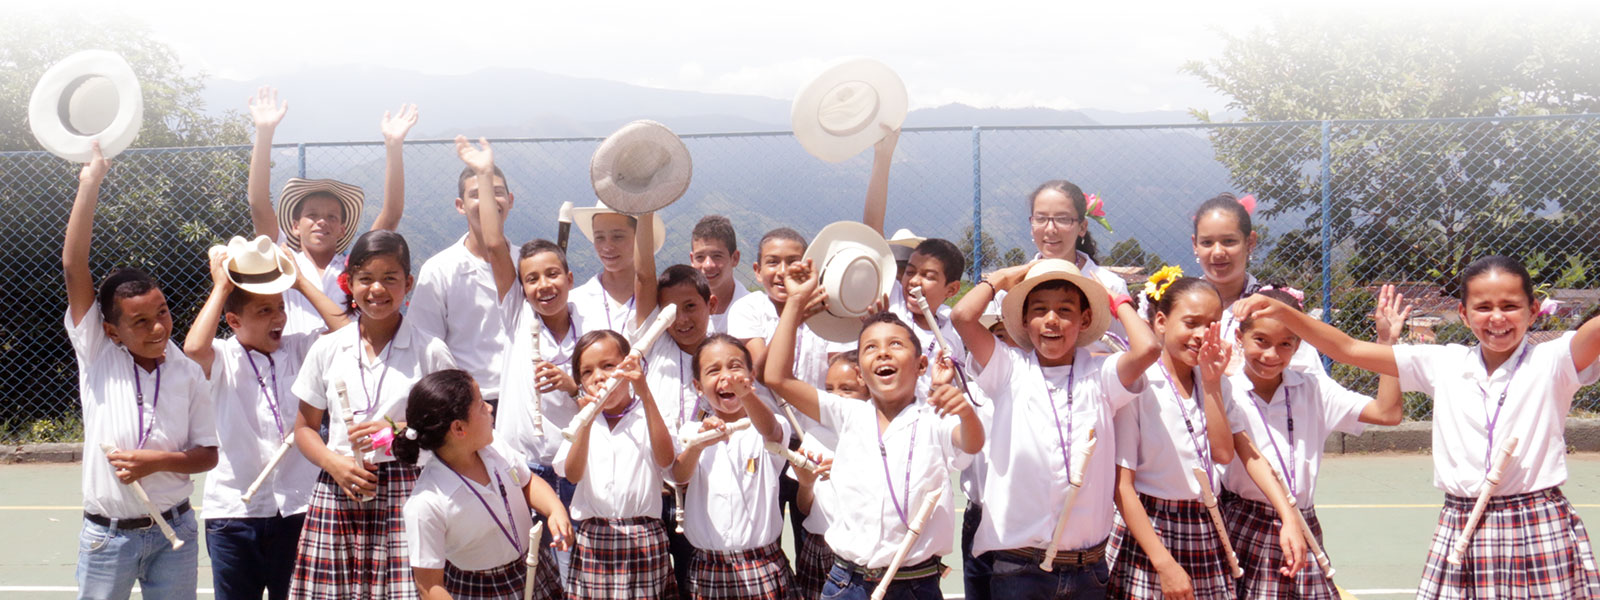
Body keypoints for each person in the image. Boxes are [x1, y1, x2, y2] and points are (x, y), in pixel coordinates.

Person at [1231, 256, 1600, 599]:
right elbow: (1347, 349)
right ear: (1463, 312)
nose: (1497, 318)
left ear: (1533, 311)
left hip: (1534, 520)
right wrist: (1283, 312)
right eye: (1483, 307)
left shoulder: (1554, 359)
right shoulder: (1443, 362)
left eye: (1510, 306)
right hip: (1459, 521)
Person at [765, 260, 985, 600]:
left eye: (896, 345)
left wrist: (966, 414)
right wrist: (794, 303)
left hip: (915, 585)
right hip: (845, 582)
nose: (882, 351)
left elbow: (971, 442)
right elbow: (777, 378)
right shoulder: (848, 414)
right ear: (860, 373)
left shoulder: (934, 419)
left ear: (921, 364)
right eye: (870, 347)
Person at [950, 258, 1162, 598]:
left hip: (1087, 568)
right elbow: (961, 316)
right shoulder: (1008, 370)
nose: (1052, 320)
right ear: (1023, 319)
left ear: (1085, 319)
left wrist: (1117, 301)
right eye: (1039, 310)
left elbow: (1149, 348)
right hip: (1020, 567)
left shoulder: (1101, 375)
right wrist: (1002, 278)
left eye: (1065, 310)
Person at [64, 142, 218, 600]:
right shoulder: (98, 353)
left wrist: (157, 462)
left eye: (164, 312)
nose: (157, 327)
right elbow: (75, 267)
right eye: (139, 321)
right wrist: (90, 184)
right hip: (107, 536)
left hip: (176, 529)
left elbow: (207, 455)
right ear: (111, 331)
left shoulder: (186, 371)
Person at [1105, 276, 1306, 599]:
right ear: (1161, 321)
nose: (1201, 335)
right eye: (1191, 323)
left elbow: (1226, 454)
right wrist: (1164, 564)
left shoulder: (1214, 381)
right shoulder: (1140, 385)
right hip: (1151, 530)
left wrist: (1289, 517)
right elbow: (1122, 487)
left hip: (1204, 522)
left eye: (1211, 325)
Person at [288, 229, 455, 599]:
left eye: (390, 278)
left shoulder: (431, 352)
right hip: (339, 485)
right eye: (365, 278)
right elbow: (304, 429)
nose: (377, 289)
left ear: (408, 283)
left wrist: (400, 428)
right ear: (348, 283)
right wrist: (334, 463)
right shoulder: (327, 349)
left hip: (409, 491)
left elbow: (453, 428)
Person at [182, 241, 347, 600]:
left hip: (297, 507)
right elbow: (193, 349)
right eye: (264, 311)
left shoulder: (300, 348)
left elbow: (346, 332)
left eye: (280, 307)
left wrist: (301, 282)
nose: (279, 318)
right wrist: (222, 286)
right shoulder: (224, 356)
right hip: (235, 513)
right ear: (234, 321)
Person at [1220, 285, 1406, 598]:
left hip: (1304, 523)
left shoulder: (1313, 389)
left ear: (1298, 345)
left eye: (1285, 344)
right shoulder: (1225, 393)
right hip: (1246, 521)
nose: (1271, 354)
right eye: (1260, 341)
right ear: (1240, 338)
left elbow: (1387, 413)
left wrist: (1387, 345)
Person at [244, 86, 416, 337]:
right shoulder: (282, 259)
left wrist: (394, 145)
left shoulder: (355, 267)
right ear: (294, 225)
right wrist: (264, 132)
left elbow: (391, 214)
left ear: (342, 228)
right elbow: (258, 203)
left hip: (345, 367)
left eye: (332, 217)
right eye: (311, 215)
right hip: (290, 369)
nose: (321, 222)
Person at [396, 369, 572, 600]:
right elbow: (429, 586)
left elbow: (527, 482)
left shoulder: (495, 446)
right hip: (479, 589)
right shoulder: (426, 503)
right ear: (459, 428)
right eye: (480, 405)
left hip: (533, 570)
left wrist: (555, 510)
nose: (489, 408)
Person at [556, 330, 678, 599]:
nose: (598, 377)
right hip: (594, 537)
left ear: (629, 367)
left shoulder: (651, 414)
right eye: (587, 372)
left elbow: (666, 459)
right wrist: (586, 421)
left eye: (608, 366)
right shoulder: (580, 424)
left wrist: (645, 393)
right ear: (580, 381)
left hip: (644, 535)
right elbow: (572, 475)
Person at [673, 334, 795, 600]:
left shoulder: (769, 424)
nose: (726, 377)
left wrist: (746, 394)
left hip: (762, 563)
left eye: (735, 366)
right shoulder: (691, 431)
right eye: (713, 370)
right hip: (707, 568)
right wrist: (698, 444)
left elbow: (772, 432)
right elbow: (678, 475)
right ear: (698, 385)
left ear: (751, 375)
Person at [408, 156, 517, 416]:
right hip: (466, 405)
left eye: (496, 193)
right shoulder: (439, 269)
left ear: (510, 200)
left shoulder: (528, 263)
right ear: (460, 205)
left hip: (522, 396)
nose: (489, 202)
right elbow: (424, 344)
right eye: (477, 195)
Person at [1190, 193, 1323, 373]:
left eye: (1229, 241)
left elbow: (1307, 376)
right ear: (1195, 245)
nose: (1218, 252)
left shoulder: (1274, 306)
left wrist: (1243, 371)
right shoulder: (1178, 303)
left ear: (1250, 241)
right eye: (1207, 242)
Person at [690, 215, 748, 334]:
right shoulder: (682, 312)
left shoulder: (754, 309)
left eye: (717, 256)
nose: (708, 265)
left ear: (735, 258)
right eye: (700, 257)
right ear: (692, 259)